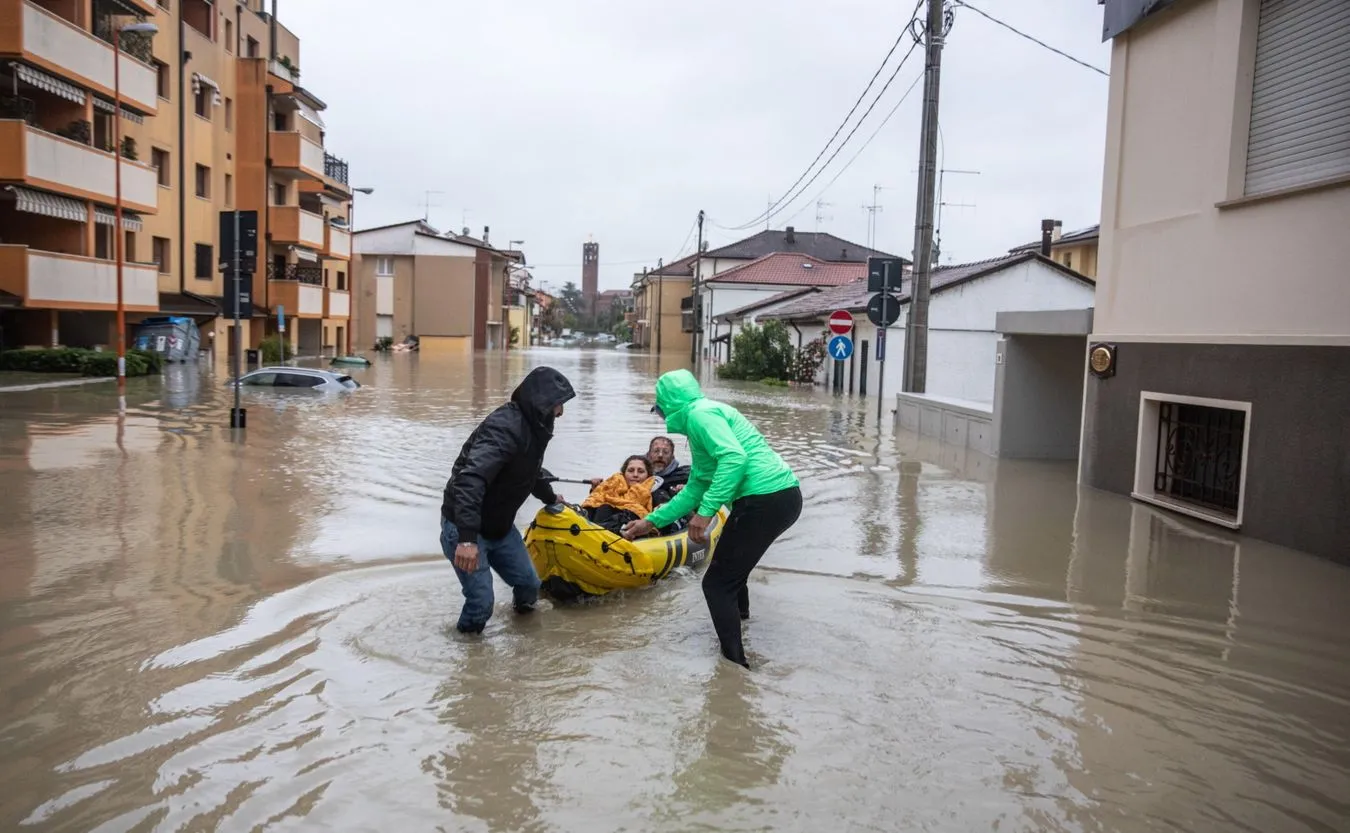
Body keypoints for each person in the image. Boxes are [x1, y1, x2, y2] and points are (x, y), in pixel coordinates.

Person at [622, 369, 802, 669]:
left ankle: (734, 668)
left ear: (669, 404)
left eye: (660, 408)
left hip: (765, 499)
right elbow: (695, 487)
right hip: (778, 497)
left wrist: (705, 514)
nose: (660, 415)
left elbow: (735, 459)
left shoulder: (700, 416)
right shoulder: (702, 419)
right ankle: (742, 623)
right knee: (731, 571)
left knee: (716, 585)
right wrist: (650, 522)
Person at [440, 366, 576, 634]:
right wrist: (466, 539)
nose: (561, 412)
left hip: (500, 527)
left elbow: (530, 472)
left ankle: (524, 633)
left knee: (529, 585)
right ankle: (468, 655)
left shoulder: (537, 427)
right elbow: (471, 480)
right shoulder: (504, 428)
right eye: (559, 404)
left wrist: (550, 498)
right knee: (481, 603)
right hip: (466, 528)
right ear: (543, 401)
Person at [581, 455, 656, 533]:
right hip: (601, 526)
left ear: (648, 475)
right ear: (624, 474)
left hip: (631, 530)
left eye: (640, 471)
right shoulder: (610, 487)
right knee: (599, 508)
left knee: (606, 508)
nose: (635, 475)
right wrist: (594, 489)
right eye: (630, 470)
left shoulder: (656, 492)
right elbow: (594, 500)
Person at [646, 435, 691, 508]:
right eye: (656, 451)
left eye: (666, 452)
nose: (660, 455)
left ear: (672, 457)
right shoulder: (636, 474)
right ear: (648, 455)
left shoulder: (686, 475)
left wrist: (687, 488)